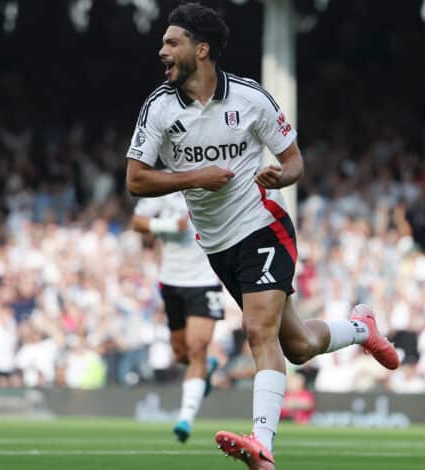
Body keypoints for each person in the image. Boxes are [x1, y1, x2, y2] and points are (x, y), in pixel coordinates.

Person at [125, 3, 399, 468]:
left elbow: (294, 160)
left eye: (172, 42)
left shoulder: (251, 98)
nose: (162, 51)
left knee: (258, 332)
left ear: (202, 49)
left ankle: (263, 446)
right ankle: (360, 328)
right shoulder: (159, 108)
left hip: (263, 224)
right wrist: (195, 177)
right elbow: (136, 180)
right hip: (217, 245)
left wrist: (283, 176)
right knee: (297, 345)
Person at [131, 191, 223, 442]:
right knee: (182, 354)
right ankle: (206, 368)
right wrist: (170, 225)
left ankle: (185, 419)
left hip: (205, 280)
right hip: (171, 282)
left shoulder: (211, 182)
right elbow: (137, 221)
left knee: (196, 347)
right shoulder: (164, 186)